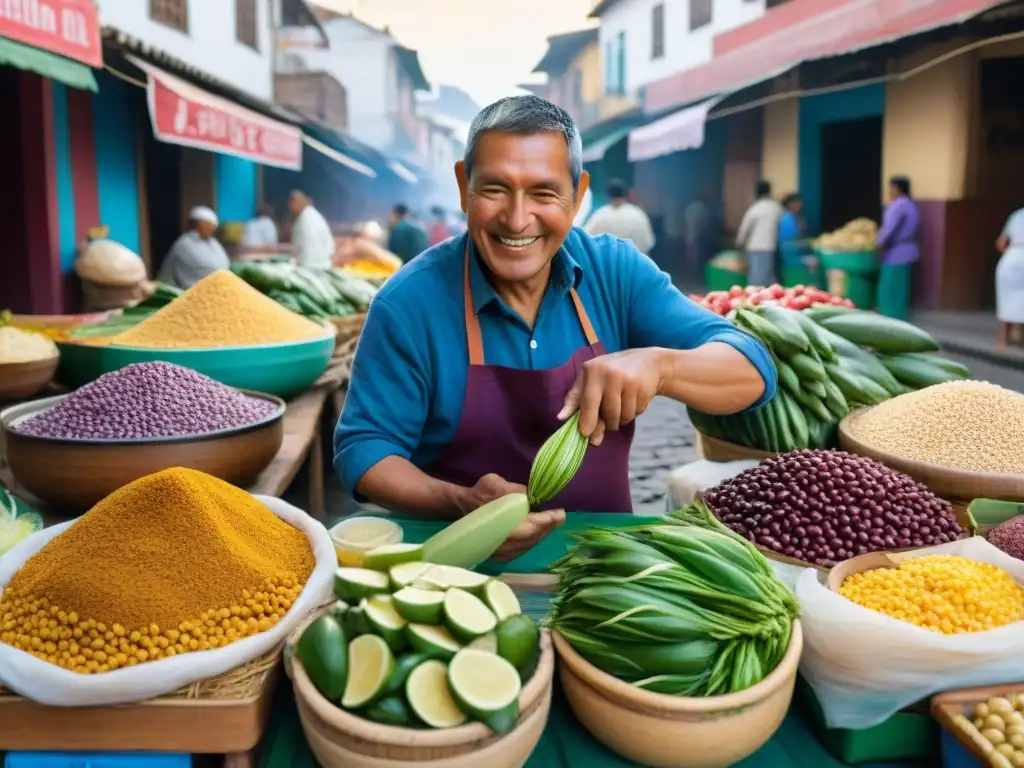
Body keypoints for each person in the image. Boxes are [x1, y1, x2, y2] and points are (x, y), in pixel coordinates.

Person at [334, 95, 776, 561]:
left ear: (578, 195)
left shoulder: (614, 272)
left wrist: (660, 366)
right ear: (464, 185)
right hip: (458, 568)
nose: (517, 219)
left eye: (543, 193)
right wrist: (457, 502)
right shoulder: (409, 303)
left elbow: (754, 369)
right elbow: (364, 451)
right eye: (494, 189)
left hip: (606, 566)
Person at [875, 176, 920, 320]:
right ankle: (899, 318)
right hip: (907, 252)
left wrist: (878, 245)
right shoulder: (911, 205)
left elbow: (889, 229)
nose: (890, 191)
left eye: (892, 188)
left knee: (890, 290)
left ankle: (890, 319)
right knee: (901, 291)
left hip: (895, 254)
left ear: (897, 189)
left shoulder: (898, 205)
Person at [156, 206, 230, 290]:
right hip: (178, 292)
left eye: (213, 226)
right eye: (208, 225)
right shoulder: (185, 244)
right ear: (198, 224)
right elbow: (207, 267)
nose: (211, 229)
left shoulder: (212, 242)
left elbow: (223, 263)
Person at [583, 179, 656, 255]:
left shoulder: (599, 215)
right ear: (626, 194)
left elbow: (587, 241)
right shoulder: (637, 214)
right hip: (633, 263)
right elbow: (647, 243)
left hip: (607, 264)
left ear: (608, 195)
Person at [737, 180, 783, 287]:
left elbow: (744, 228)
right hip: (771, 246)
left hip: (755, 247)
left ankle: (755, 300)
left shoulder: (754, 208)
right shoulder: (776, 207)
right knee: (768, 276)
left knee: (756, 278)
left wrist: (739, 243)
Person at [994, 207, 1024, 349]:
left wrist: (1011, 254)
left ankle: (1003, 342)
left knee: (1006, 301)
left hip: (1010, 259)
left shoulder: (1017, 215)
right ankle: (1021, 340)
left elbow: (1000, 243)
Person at [286, 190, 335, 271]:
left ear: (305, 200)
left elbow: (309, 250)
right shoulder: (305, 216)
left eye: (294, 200)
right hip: (313, 267)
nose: (291, 204)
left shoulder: (308, 219)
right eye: (290, 201)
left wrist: (304, 269)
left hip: (314, 268)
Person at [684, 188, 717, 286]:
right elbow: (703, 225)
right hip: (698, 238)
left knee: (693, 259)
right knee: (698, 260)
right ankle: (697, 281)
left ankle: (693, 281)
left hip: (691, 237)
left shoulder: (692, 207)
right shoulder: (702, 208)